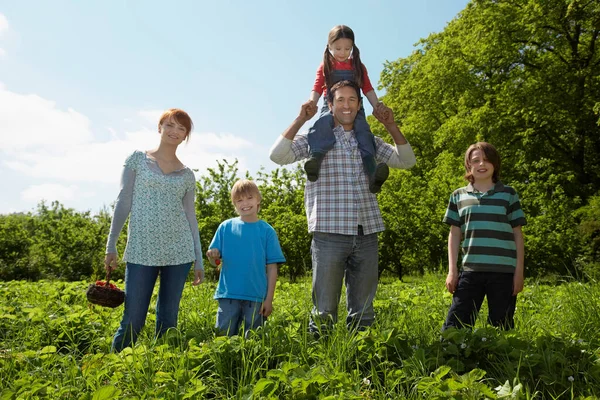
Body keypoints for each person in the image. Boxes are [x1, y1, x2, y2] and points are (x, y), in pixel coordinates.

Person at [270, 80, 416, 335]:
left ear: (359, 105)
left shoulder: (368, 140)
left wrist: (391, 125)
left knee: (364, 312)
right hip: (329, 233)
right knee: (324, 310)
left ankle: (361, 361)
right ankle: (324, 364)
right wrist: (300, 119)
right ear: (330, 104)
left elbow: (407, 161)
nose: (346, 105)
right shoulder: (317, 139)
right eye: (340, 100)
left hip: (366, 232)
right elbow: (278, 155)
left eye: (352, 100)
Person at [104, 108, 204, 352]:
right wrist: (111, 244)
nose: (174, 131)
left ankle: (163, 371)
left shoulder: (188, 175)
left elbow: (191, 218)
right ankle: (114, 370)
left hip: (179, 252)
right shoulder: (138, 159)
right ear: (159, 128)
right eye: (170, 125)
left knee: (168, 320)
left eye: (181, 129)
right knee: (133, 319)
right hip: (141, 249)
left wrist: (198, 260)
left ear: (185, 137)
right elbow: (123, 200)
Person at [442, 142, 526, 331]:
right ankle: (452, 357)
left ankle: (497, 360)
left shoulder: (509, 194)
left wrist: (519, 272)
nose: (481, 164)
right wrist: (452, 271)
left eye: (487, 160)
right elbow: (454, 235)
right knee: (455, 326)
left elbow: (518, 235)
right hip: (470, 270)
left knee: (501, 326)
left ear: (495, 164)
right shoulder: (458, 196)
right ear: (468, 165)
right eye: (476, 160)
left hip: (504, 272)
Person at [305, 25, 391, 194]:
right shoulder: (325, 66)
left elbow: (367, 89)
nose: (342, 52)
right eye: (338, 48)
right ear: (329, 47)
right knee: (322, 124)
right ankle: (315, 159)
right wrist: (311, 103)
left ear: (353, 47)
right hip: (330, 104)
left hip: (355, 107)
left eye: (347, 48)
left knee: (364, 131)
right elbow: (316, 87)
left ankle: (372, 171)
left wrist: (377, 106)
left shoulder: (358, 66)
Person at [206, 179, 286, 336]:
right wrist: (212, 256)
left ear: (258, 200)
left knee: (255, 339)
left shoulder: (267, 231)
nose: (245, 203)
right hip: (228, 294)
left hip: (256, 296)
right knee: (224, 338)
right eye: (239, 200)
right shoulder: (225, 227)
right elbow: (214, 262)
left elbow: (272, 268)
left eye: (249, 198)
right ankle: (227, 361)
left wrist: (269, 299)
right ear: (234, 205)